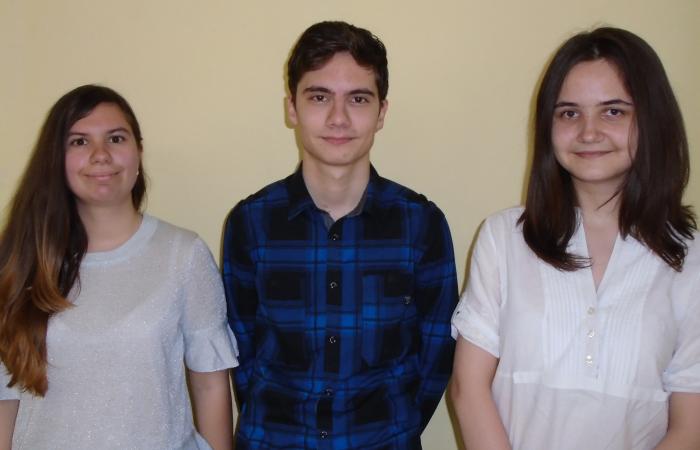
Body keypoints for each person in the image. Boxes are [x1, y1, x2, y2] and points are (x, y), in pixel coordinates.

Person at [450, 27, 700, 450]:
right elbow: (467, 388)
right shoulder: (504, 238)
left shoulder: (690, 257)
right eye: (569, 113)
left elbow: (691, 425)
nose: (588, 132)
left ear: (652, 119)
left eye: (613, 111)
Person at [222, 21, 458, 449]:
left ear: (381, 112)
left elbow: (436, 354)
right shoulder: (250, 222)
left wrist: (392, 429)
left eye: (358, 99)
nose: (338, 118)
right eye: (319, 97)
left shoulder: (421, 224)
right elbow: (240, 350)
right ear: (292, 108)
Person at [0, 85, 238, 450]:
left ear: (138, 151)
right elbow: (6, 395)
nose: (100, 155)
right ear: (56, 159)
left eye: (115, 138)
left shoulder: (183, 255)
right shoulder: (21, 260)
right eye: (79, 141)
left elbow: (209, 385)